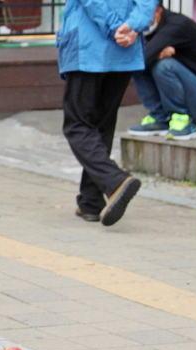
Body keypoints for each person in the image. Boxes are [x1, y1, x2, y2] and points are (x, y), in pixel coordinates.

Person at [57, 0, 156, 226]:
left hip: (88, 44)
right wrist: (133, 27)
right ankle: (90, 202)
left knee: (77, 125)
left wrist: (115, 27)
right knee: (102, 125)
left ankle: (115, 181)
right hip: (124, 50)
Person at [127, 1, 196, 141]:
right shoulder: (152, 29)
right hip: (195, 95)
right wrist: (155, 53)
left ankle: (180, 118)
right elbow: (141, 60)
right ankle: (159, 117)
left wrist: (153, 53)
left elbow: (145, 56)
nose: (138, 18)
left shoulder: (177, 25)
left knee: (164, 65)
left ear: (157, 10)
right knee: (139, 66)